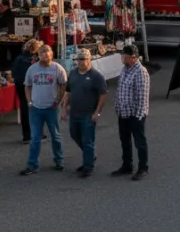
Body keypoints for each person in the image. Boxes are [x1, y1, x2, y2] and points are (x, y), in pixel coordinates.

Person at [20, 44, 67, 176]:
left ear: (51, 55)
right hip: (36, 109)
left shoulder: (57, 68)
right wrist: (29, 101)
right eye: (41, 53)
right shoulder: (32, 69)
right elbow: (27, 86)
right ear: (38, 55)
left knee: (55, 136)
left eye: (46, 53)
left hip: (52, 109)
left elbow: (63, 84)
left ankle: (59, 160)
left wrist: (58, 100)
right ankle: (32, 165)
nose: (44, 55)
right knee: (35, 138)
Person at [61, 48, 108, 178]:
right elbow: (68, 92)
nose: (81, 62)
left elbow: (103, 94)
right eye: (79, 59)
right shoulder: (73, 74)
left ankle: (88, 167)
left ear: (89, 60)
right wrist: (64, 108)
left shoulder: (96, 76)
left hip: (88, 114)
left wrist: (97, 112)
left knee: (87, 140)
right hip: (74, 113)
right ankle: (90, 155)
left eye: (83, 59)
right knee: (75, 135)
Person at [112, 45, 150, 181]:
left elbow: (142, 96)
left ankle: (143, 168)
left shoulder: (141, 72)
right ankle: (127, 165)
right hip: (123, 113)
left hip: (135, 114)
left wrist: (138, 116)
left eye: (125, 57)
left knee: (139, 141)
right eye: (122, 56)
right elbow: (120, 89)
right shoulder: (125, 69)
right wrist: (118, 107)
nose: (123, 58)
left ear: (133, 58)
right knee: (124, 140)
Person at [11, 39, 41, 144]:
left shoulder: (19, 58)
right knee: (34, 109)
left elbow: (13, 71)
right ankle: (35, 133)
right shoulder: (33, 60)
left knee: (24, 108)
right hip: (30, 86)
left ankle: (26, 135)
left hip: (19, 84)